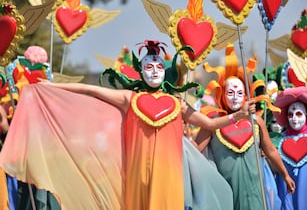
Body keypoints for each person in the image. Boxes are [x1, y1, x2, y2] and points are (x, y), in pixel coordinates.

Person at [0, 40, 255, 210]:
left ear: (165, 73)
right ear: (141, 71)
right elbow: (90, 91)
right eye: (149, 66)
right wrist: (53, 87)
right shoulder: (129, 98)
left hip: (169, 177)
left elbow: (208, 123)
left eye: (158, 67)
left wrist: (240, 115)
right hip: (136, 176)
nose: (154, 70)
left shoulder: (177, 103)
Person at [194, 44, 295, 210]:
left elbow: (270, 150)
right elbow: (196, 149)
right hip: (225, 194)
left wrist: (285, 174)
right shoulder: (212, 123)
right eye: (230, 93)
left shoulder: (256, 122)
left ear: (246, 96)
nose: (235, 98)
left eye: (240, 93)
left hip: (255, 193)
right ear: (222, 93)